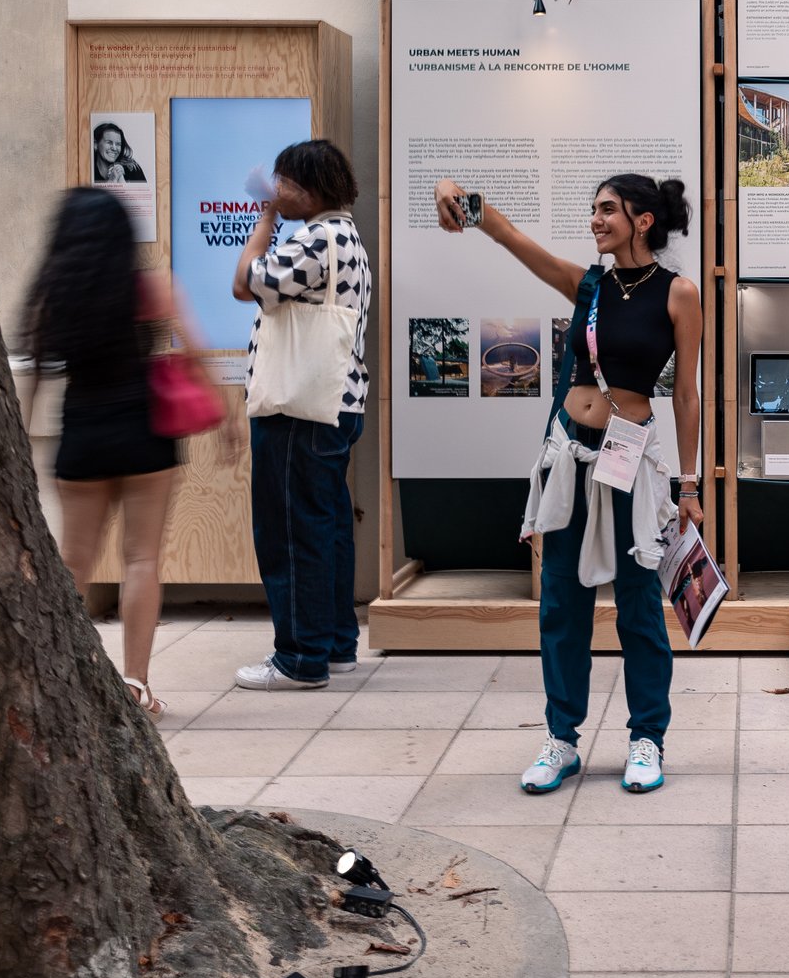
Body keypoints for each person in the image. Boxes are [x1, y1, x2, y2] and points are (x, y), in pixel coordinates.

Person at [435, 173, 702, 794]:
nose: (595, 220)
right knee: (561, 604)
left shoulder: (678, 293)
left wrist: (689, 485)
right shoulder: (590, 286)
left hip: (630, 460)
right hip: (570, 455)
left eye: (608, 210)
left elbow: (685, 394)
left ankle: (646, 740)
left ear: (642, 220)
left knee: (638, 606)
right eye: (593, 210)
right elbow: (508, 236)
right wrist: (461, 196)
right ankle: (561, 739)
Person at [23, 187, 224, 719]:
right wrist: (227, 422)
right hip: (144, 434)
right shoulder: (152, 288)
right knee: (142, 559)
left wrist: (18, 446)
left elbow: (35, 377)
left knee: (73, 562)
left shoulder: (55, 293)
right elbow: (197, 351)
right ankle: (136, 684)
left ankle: (59, 683)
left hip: (83, 435)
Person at [229, 140, 372, 691]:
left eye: (285, 183)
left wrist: (263, 219)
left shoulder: (316, 239)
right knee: (327, 524)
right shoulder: (345, 236)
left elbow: (243, 282)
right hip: (335, 401)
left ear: (311, 189)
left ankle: (300, 658)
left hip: (300, 406)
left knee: (290, 530)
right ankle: (334, 644)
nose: (277, 190)